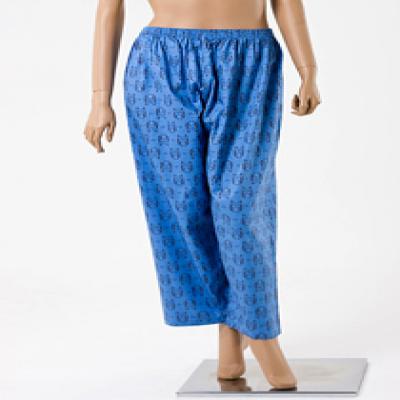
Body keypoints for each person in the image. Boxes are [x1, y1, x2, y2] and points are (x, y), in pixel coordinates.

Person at [83, 0, 321, 390]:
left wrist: (308, 69)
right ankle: (230, 329)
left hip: (248, 60)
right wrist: (99, 99)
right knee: (186, 209)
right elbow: (110, 7)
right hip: (161, 63)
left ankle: (260, 332)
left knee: (241, 209)